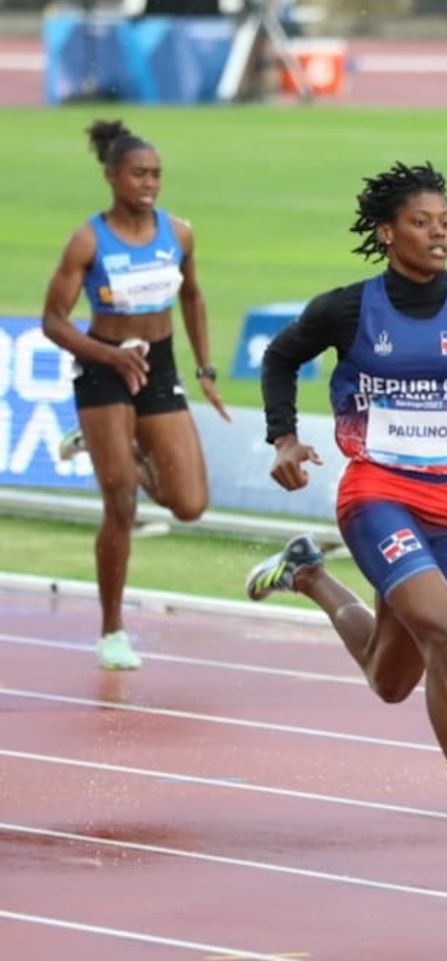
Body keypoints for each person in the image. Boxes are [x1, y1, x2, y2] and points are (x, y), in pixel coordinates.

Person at [244, 161, 447, 888]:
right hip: (375, 492)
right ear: (387, 233)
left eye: (445, 221)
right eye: (421, 222)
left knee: (390, 678)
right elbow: (280, 356)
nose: (438, 232)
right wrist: (283, 438)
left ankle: (308, 574)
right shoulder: (350, 309)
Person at [42, 118, 229, 671]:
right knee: (120, 502)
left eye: (156, 175)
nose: (149, 184)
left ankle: (109, 446)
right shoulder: (88, 239)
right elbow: (54, 321)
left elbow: (193, 298)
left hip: (159, 363)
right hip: (104, 366)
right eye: (138, 174)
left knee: (188, 504)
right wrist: (108, 355)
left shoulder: (181, 233)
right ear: (112, 177)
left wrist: (205, 369)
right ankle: (112, 630)